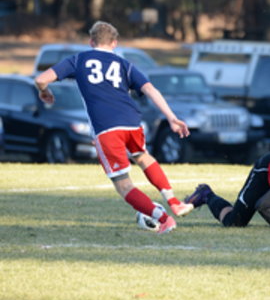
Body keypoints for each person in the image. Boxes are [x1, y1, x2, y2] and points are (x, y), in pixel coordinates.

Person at [34, 21, 193, 234]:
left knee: (123, 185)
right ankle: (174, 202)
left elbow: (41, 79)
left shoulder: (78, 59)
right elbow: (151, 90)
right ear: (114, 43)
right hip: (132, 121)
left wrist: (44, 91)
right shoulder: (124, 64)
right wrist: (172, 117)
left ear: (91, 41)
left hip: (106, 127)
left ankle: (164, 220)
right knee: (143, 157)